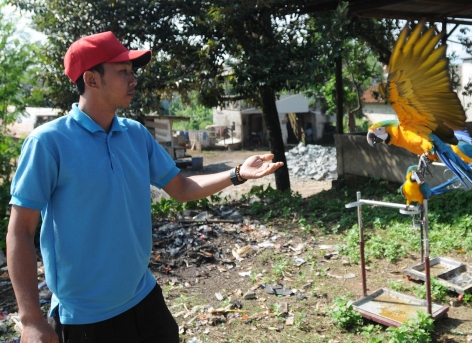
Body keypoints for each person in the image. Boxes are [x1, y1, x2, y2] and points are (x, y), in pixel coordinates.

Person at [6, 31, 283, 343]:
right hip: (85, 316)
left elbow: (181, 186)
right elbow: (20, 231)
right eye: (122, 71)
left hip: (144, 298)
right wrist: (30, 320)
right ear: (92, 79)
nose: (133, 79)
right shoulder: (48, 143)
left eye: (132, 71)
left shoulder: (135, 135)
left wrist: (238, 173)